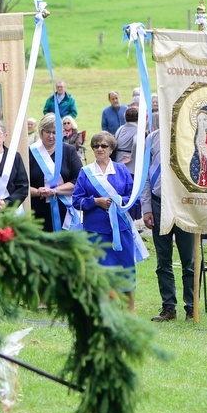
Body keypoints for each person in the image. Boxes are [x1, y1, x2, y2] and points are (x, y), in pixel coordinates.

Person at [72, 131, 141, 313]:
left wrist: (118, 201)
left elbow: (133, 197)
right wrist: (95, 201)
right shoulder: (85, 173)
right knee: (99, 270)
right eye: (96, 146)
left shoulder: (121, 170)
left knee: (126, 267)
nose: (99, 149)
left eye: (104, 146)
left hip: (121, 229)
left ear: (111, 149)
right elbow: (76, 201)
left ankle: (129, 309)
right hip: (95, 231)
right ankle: (102, 308)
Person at [142, 128, 195, 321]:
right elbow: (145, 176)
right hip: (158, 204)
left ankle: (191, 307)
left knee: (188, 260)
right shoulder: (152, 138)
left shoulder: (190, 134)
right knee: (163, 260)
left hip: (184, 205)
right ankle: (168, 307)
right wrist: (146, 207)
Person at [28, 113, 82, 232]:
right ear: (41, 131)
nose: (51, 136)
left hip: (65, 211)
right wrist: (38, 191)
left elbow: (78, 181)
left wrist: (54, 191)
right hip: (36, 212)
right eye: (48, 132)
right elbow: (21, 183)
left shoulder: (69, 151)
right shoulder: (30, 152)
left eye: (55, 132)